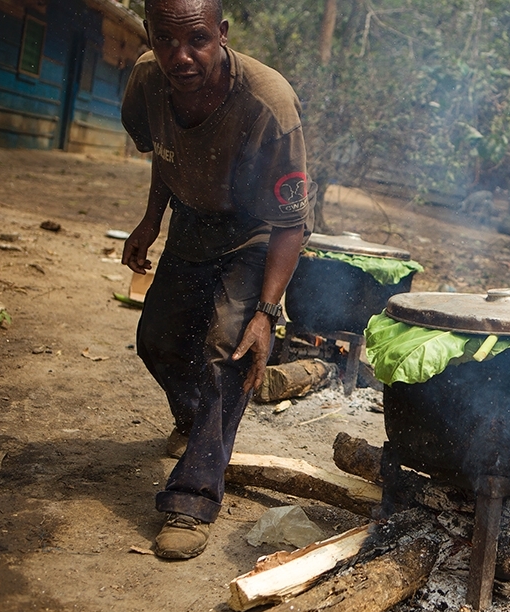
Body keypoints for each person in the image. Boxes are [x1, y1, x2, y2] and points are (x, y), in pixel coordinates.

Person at [120, 0, 315, 559]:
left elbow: (291, 223)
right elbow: (165, 150)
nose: (181, 56)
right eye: (166, 41)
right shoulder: (146, 81)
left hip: (257, 230)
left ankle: (193, 496)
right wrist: (151, 219)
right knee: (155, 339)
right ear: (150, 35)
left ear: (222, 34)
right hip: (192, 219)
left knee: (226, 351)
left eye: (198, 41)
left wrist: (266, 313)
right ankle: (200, 420)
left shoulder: (270, 104)